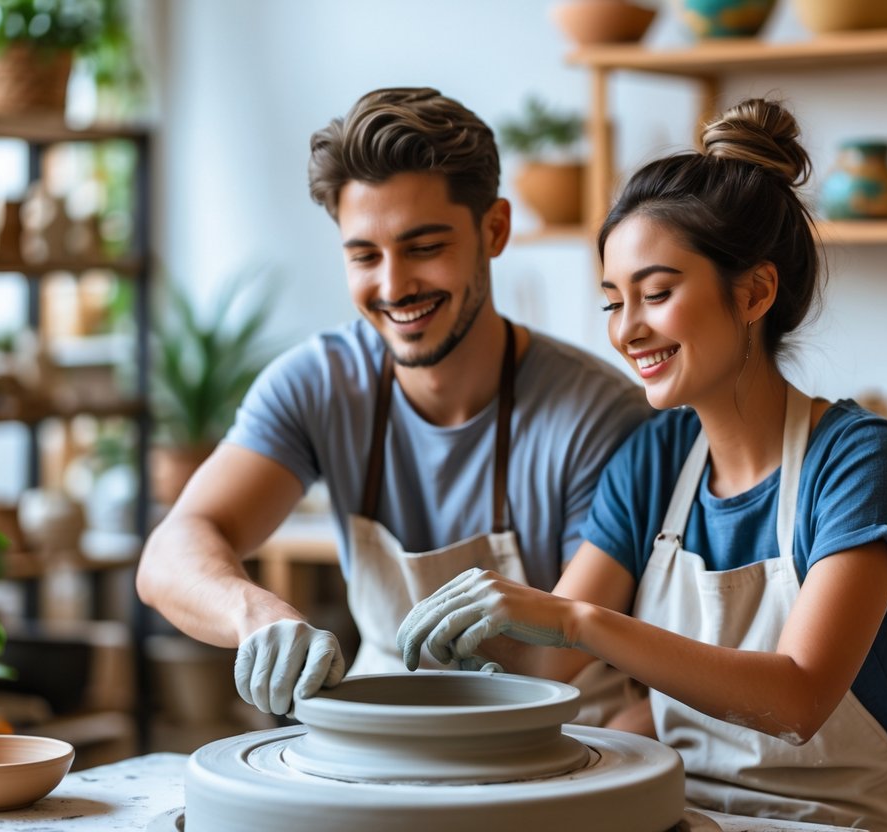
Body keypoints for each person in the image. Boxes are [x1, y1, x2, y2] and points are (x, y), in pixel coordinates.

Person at [398, 98, 887, 831]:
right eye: (613, 302)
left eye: (656, 294)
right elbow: (543, 664)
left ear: (753, 292)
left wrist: (575, 620)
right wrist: (421, 651)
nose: (626, 330)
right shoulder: (653, 461)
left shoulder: (859, 459)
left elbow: (797, 699)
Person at [135, 87, 652, 721]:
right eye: (364, 256)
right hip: (381, 734)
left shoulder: (599, 417)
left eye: (424, 247)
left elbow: (560, 658)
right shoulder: (318, 383)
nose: (393, 285)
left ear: (494, 230)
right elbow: (171, 552)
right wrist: (256, 614)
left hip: (562, 740)